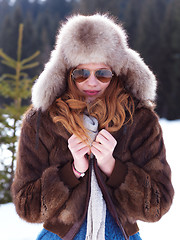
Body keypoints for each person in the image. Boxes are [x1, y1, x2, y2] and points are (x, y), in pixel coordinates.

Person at [11, 14, 174, 240]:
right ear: (67, 72)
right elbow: (26, 206)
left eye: (103, 73)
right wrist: (72, 172)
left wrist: (112, 167)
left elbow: (158, 204)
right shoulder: (41, 122)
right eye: (81, 73)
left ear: (117, 73)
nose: (92, 82)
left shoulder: (140, 120)